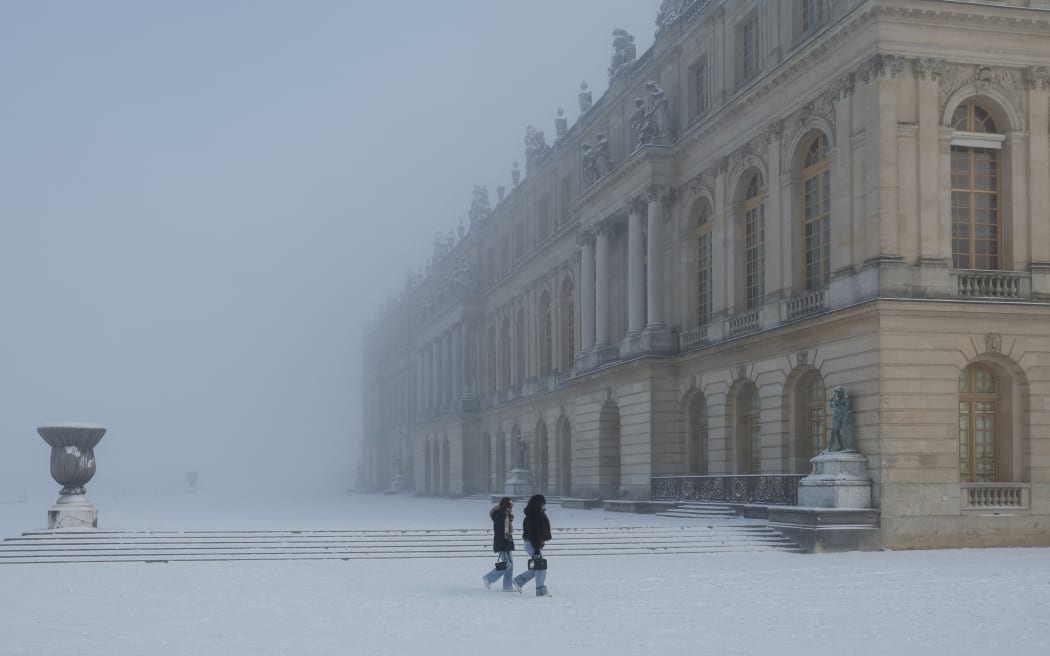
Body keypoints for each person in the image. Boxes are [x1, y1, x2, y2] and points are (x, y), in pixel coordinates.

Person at [512, 494, 552, 597]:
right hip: (532, 544)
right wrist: (537, 548)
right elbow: (533, 533)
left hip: (533, 543)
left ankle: (519, 581)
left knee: (537, 566)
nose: (544, 506)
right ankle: (541, 591)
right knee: (541, 567)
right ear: (538, 504)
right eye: (543, 504)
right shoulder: (533, 516)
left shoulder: (536, 514)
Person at [482, 497, 517, 592]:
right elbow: (501, 530)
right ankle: (488, 578)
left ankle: (507, 586)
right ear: (506, 505)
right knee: (508, 564)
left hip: (505, 541)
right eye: (510, 503)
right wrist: (505, 542)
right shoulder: (501, 514)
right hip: (503, 541)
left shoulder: (504, 514)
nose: (512, 505)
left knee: (510, 564)